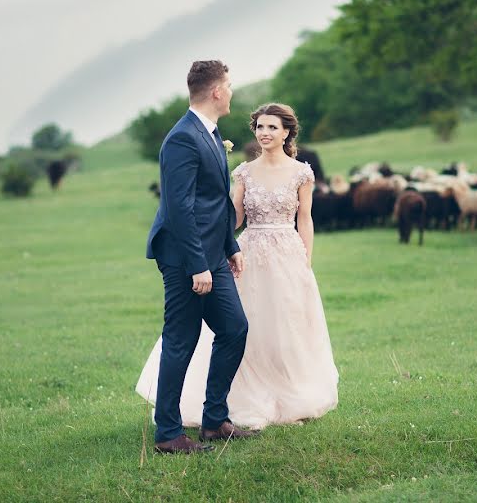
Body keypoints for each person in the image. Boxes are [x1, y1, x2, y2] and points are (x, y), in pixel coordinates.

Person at [137, 102, 338, 432]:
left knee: (288, 325)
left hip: (288, 254)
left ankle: (289, 393)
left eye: (272, 127)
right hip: (250, 252)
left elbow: (305, 219)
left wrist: (306, 260)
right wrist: (210, 251)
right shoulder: (244, 171)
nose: (265, 133)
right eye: (259, 127)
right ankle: (237, 398)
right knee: (246, 325)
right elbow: (231, 219)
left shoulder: (302, 172)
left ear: (287, 132)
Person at [143, 60, 258, 454]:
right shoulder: (182, 139)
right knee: (181, 340)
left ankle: (214, 421)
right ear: (217, 92)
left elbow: (213, 202)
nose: (231, 91)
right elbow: (179, 209)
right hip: (184, 258)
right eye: (229, 85)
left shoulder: (209, 133)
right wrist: (197, 265)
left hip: (212, 254)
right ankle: (169, 434)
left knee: (234, 329)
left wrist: (230, 246)